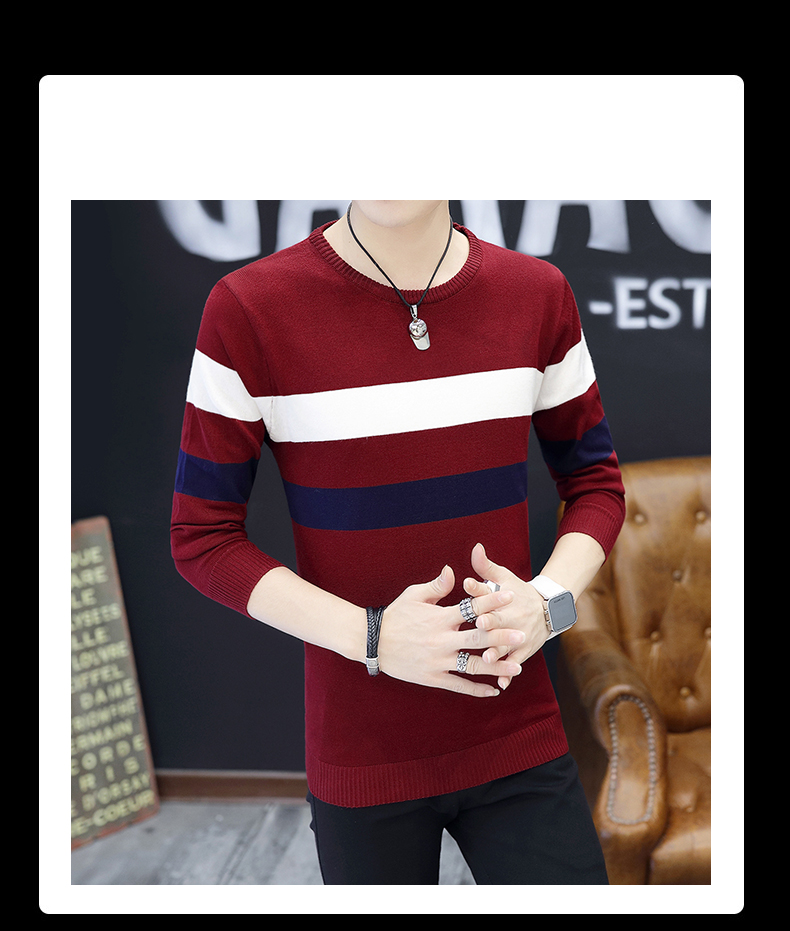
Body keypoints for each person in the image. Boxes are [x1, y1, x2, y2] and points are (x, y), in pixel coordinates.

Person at [171, 200, 626, 884]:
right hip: (361, 752)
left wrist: (548, 602)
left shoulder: (537, 294)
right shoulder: (249, 308)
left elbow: (596, 484)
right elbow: (201, 535)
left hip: (517, 728)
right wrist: (374, 636)